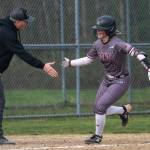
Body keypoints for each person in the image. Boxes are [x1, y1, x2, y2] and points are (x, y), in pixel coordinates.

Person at [62, 15, 150, 144]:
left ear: (109, 30)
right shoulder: (97, 44)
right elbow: (88, 59)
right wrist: (71, 63)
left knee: (100, 107)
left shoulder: (118, 43)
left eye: (101, 29)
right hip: (107, 80)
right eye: (97, 29)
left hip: (121, 81)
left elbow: (138, 53)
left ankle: (97, 137)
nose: (98, 31)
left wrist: (148, 68)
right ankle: (123, 110)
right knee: (98, 108)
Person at [0, 8, 58, 144]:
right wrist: (43, 65)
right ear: (17, 21)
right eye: (25, 21)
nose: (27, 24)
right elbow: (22, 53)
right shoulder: (6, 33)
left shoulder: (7, 29)